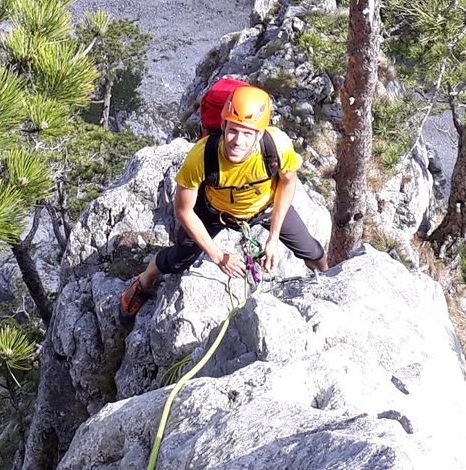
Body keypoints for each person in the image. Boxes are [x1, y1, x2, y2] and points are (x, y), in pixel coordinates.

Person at [120, 83, 326, 316]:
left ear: (260, 134)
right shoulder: (202, 156)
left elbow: (288, 183)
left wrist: (273, 238)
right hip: (213, 211)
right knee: (178, 260)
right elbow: (183, 211)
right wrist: (218, 257)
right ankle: (146, 280)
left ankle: (330, 282)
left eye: (248, 133)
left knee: (311, 251)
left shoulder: (277, 147)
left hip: (263, 208)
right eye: (233, 130)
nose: (238, 141)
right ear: (224, 125)